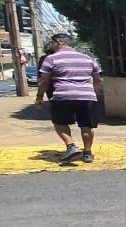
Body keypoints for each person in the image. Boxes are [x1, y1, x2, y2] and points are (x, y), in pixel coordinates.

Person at [35, 34, 102, 163]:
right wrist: (91, 92)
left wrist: (39, 97)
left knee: (60, 123)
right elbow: (98, 79)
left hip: (63, 96)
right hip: (87, 97)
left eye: (52, 43)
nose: (51, 45)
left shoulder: (51, 59)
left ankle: (71, 146)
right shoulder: (88, 58)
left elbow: (44, 81)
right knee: (87, 126)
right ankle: (87, 153)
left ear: (59, 42)